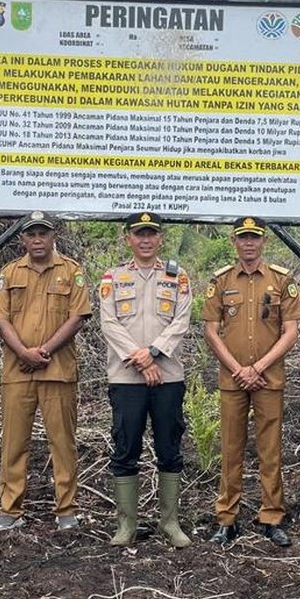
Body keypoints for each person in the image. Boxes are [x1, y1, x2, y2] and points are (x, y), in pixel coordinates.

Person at [0, 211, 91, 531]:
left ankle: (66, 510)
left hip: (57, 370)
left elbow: (78, 316)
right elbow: (0, 318)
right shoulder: (8, 273)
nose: (37, 239)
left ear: (52, 236)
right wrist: (24, 352)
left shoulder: (72, 272)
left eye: (42, 233)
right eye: (31, 234)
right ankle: (10, 510)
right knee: (14, 442)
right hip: (18, 371)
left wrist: (43, 351)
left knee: (62, 442)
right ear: (22, 238)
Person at [203, 216, 300, 547]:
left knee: (269, 450)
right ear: (234, 241)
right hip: (233, 381)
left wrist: (257, 367)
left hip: (268, 379)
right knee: (231, 449)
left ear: (263, 242)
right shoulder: (220, 281)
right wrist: (238, 369)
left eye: (254, 238)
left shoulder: (281, 279)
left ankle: (271, 516)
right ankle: (227, 519)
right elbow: (211, 331)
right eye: (243, 238)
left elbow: (291, 331)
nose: (249, 243)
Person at [97, 212, 193, 547]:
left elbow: (181, 322)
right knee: (126, 448)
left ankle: (170, 523)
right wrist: (140, 360)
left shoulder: (177, 276)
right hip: (126, 378)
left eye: (151, 233)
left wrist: (153, 353)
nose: (146, 239)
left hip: (167, 377)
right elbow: (109, 324)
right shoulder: (113, 277)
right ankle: (127, 526)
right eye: (139, 234)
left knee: (170, 448)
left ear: (160, 238)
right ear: (129, 238)